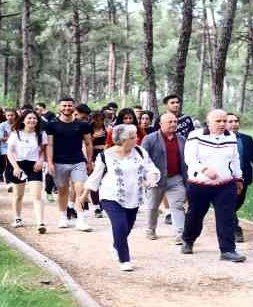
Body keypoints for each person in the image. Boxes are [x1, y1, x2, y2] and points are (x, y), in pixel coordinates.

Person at [79, 124, 160, 271]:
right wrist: (84, 195)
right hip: (111, 196)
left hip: (134, 196)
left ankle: (117, 245)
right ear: (123, 140)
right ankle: (125, 259)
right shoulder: (105, 156)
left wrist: (152, 178)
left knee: (127, 227)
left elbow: (151, 168)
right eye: (133, 137)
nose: (137, 139)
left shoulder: (140, 152)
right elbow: (95, 177)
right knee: (120, 225)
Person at [181, 109, 246, 262]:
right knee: (195, 215)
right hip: (199, 184)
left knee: (226, 217)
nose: (222, 124)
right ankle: (188, 240)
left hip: (225, 184)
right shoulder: (195, 135)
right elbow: (189, 158)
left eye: (224, 121)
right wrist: (204, 169)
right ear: (208, 122)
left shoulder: (231, 137)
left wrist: (238, 178)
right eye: (218, 121)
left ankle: (228, 250)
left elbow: (235, 159)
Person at [46, 96, 94, 231]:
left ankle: (81, 219)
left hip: (78, 161)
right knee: (63, 191)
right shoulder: (51, 125)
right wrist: (49, 162)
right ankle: (62, 217)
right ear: (59, 107)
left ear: (73, 107)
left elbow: (89, 143)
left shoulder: (83, 125)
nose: (67, 108)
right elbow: (49, 145)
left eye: (69, 105)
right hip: (59, 162)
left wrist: (89, 161)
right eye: (64, 105)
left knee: (80, 189)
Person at [141, 112, 188, 244]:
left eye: (175, 122)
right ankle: (151, 229)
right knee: (152, 207)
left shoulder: (181, 139)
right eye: (170, 122)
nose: (173, 124)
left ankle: (180, 233)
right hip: (156, 179)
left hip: (176, 178)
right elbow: (142, 160)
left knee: (177, 206)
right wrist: (146, 179)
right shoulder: (150, 139)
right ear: (161, 124)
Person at [7, 111, 48, 234]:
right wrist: (15, 167)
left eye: (34, 118)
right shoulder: (16, 134)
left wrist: (41, 161)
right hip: (18, 165)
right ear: (23, 120)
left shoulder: (41, 134)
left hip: (34, 166)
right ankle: (17, 218)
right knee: (18, 195)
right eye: (29, 118)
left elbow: (43, 151)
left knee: (37, 195)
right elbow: (9, 152)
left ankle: (40, 222)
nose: (32, 120)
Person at [226, 113, 253, 243]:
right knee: (228, 204)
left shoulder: (246, 139)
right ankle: (235, 229)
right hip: (225, 179)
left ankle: (226, 219)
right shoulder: (217, 139)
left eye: (236, 121)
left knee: (237, 203)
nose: (234, 124)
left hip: (243, 178)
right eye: (230, 121)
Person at [163, 94, 194, 224]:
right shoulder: (161, 119)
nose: (176, 104)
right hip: (167, 154)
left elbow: (192, 135)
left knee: (185, 181)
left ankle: (179, 207)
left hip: (185, 153)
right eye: (172, 102)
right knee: (166, 183)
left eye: (177, 102)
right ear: (166, 105)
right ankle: (168, 211)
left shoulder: (186, 119)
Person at [89, 111, 107, 218]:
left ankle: (103, 204)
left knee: (105, 181)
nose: (99, 122)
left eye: (101, 119)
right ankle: (96, 207)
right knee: (94, 180)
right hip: (93, 155)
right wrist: (94, 137)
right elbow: (85, 143)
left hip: (106, 154)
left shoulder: (107, 128)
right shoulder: (88, 128)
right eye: (96, 120)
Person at [0, 108, 18, 189]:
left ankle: (15, 180)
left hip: (17, 149)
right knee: (8, 164)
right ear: (5, 116)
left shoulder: (18, 124)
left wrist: (8, 138)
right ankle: (9, 181)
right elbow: (0, 138)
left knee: (15, 165)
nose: (10, 117)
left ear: (15, 115)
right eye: (8, 115)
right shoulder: (2, 125)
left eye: (12, 115)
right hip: (5, 148)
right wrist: (12, 139)